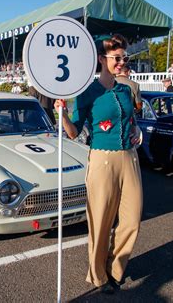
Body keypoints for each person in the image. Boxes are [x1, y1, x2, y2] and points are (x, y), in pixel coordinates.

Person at [55, 34, 143, 294]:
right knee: (101, 220)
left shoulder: (126, 89)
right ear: (102, 59)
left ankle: (116, 268)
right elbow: (73, 132)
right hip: (102, 159)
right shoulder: (87, 93)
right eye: (117, 58)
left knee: (132, 219)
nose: (122, 61)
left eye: (124, 57)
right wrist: (60, 113)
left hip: (130, 157)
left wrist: (137, 129)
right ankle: (98, 276)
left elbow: (130, 118)